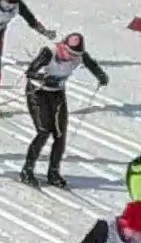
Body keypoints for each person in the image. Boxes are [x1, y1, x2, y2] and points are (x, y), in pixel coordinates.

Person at [19, 32, 108, 187]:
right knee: (44, 131)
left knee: (60, 133)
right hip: (37, 92)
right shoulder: (49, 52)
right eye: (71, 53)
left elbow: (91, 64)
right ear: (64, 47)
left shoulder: (79, 55)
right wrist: (42, 78)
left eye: (76, 55)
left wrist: (101, 76)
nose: (73, 58)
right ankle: (27, 169)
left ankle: (53, 172)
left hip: (57, 92)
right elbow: (30, 72)